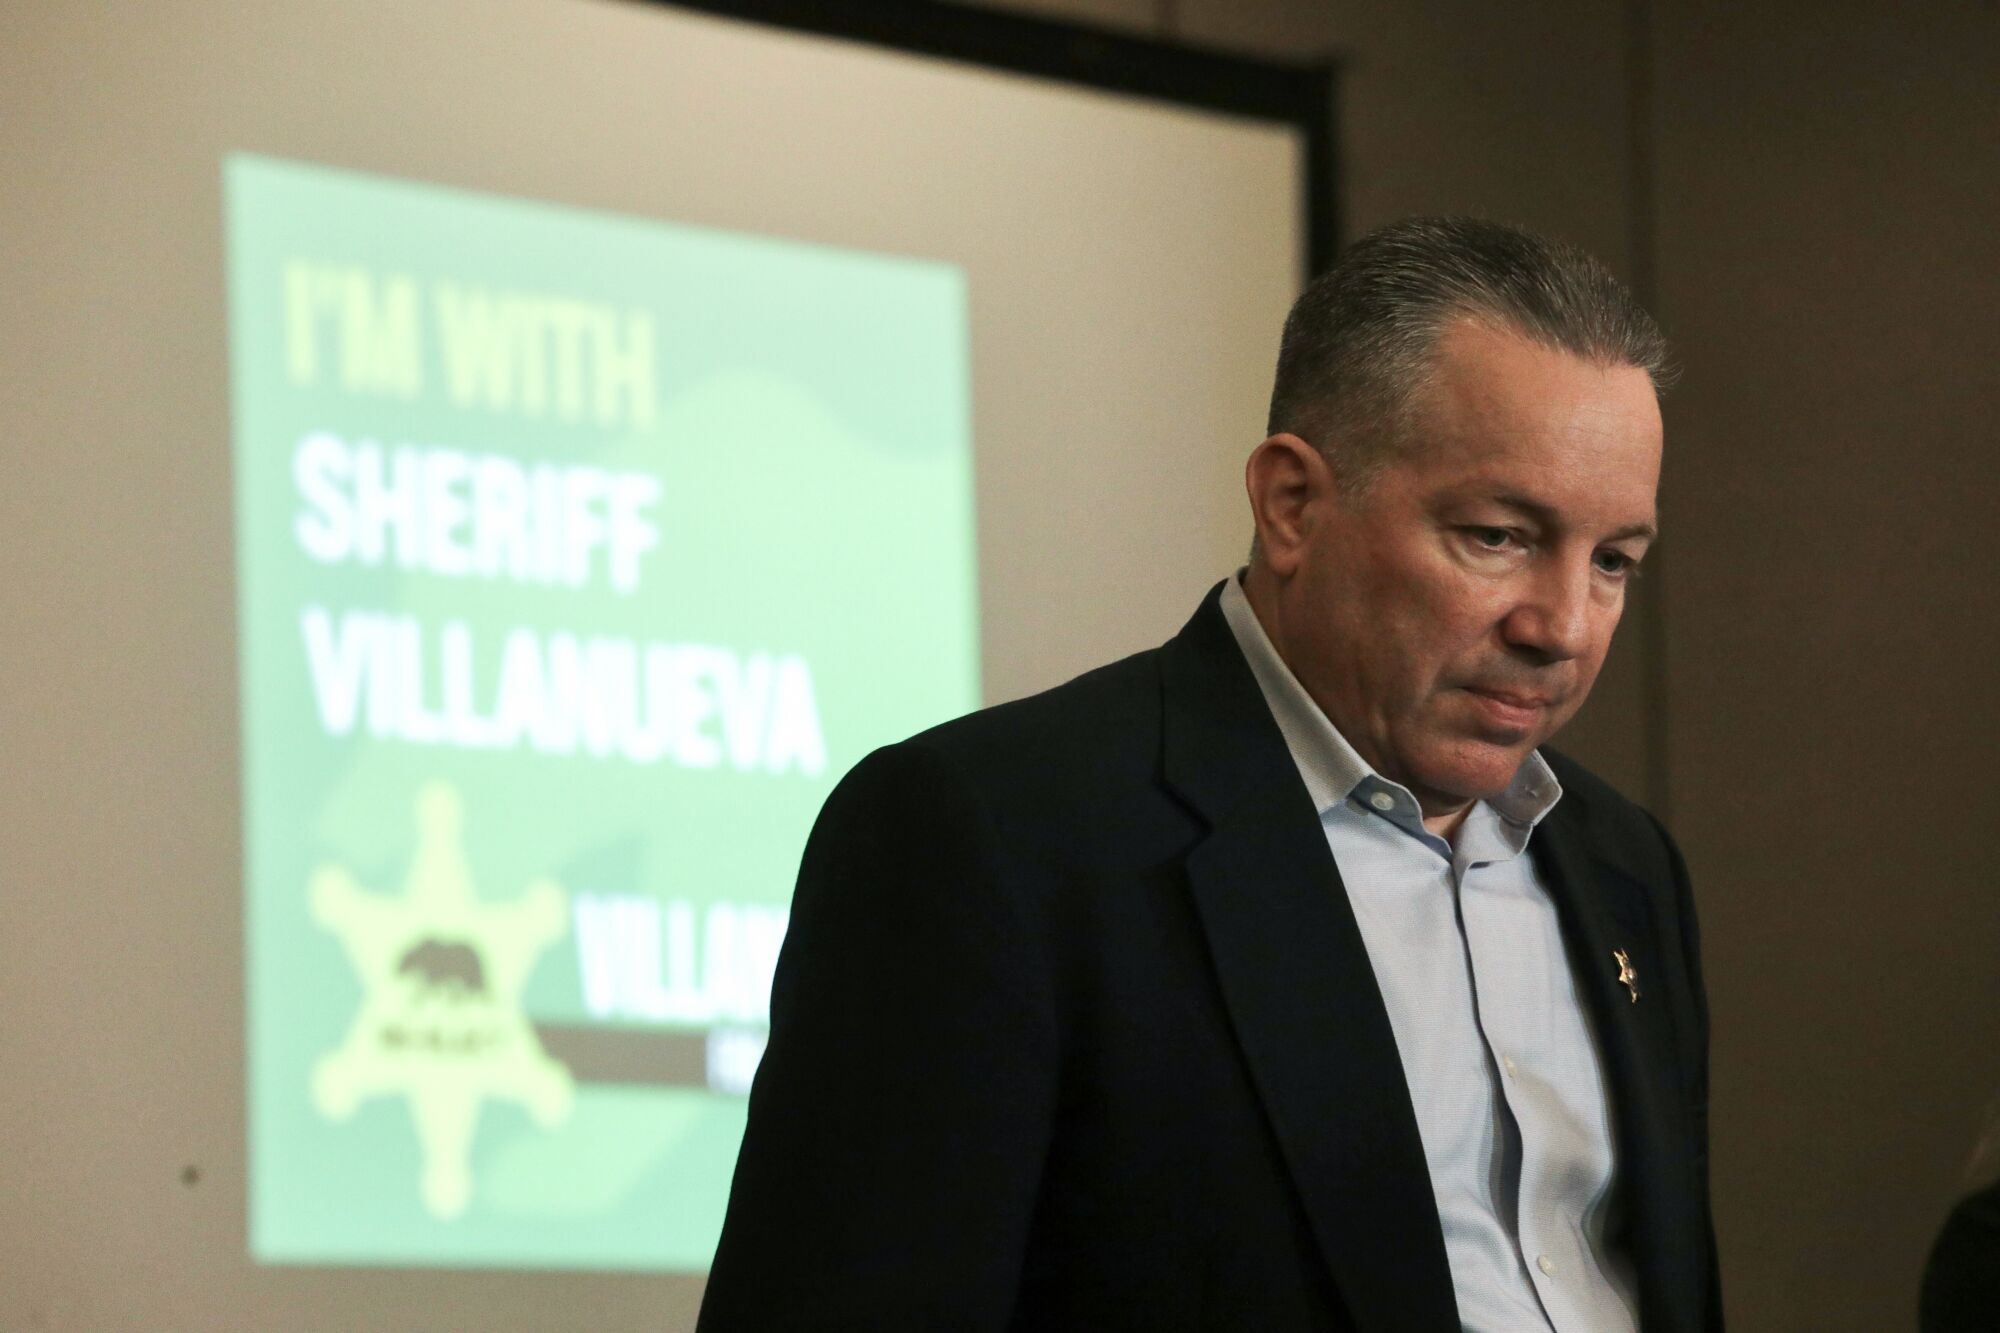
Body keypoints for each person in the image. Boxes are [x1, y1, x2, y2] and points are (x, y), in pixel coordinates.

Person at [698, 217, 1721, 1332]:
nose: (1562, 626)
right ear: (1290, 505)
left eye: (1612, 559)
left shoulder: (1622, 867)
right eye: (1494, 536)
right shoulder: (992, 837)